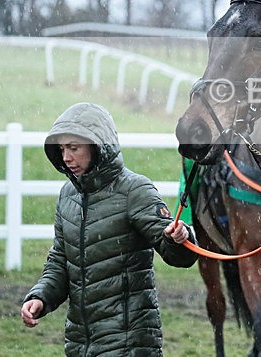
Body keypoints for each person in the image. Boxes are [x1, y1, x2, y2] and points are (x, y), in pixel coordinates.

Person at [20, 102, 197, 356]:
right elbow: (60, 261)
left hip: (131, 343)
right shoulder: (68, 195)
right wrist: (40, 297)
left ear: (98, 146)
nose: (66, 157)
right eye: (62, 149)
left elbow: (179, 255)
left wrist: (180, 238)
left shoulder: (135, 191)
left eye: (74, 148)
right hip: (80, 343)